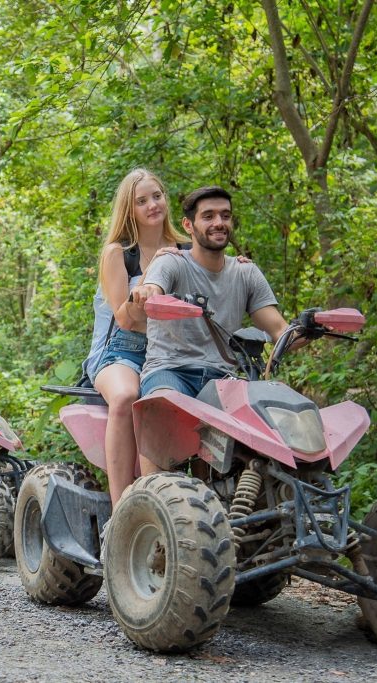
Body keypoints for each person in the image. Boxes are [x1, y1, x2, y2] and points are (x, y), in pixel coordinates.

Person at [132, 185, 292, 415]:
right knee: (162, 410)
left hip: (223, 378)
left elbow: (280, 330)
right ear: (188, 225)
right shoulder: (172, 261)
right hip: (171, 371)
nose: (219, 222)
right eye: (208, 216)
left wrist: (314, 327)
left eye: (225, 216)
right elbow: (154, 288)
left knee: (268, 420)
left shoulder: (245, 272)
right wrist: (148, 292)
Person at [87, 168, 189, 507]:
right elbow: (124, 317)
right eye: (141, 201)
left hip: (173, 353)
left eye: (156, 196)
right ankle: (121, 512)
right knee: (126, 396)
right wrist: (154, 268)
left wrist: (239, 267)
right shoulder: (118, 252)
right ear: (129, 210)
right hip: (119, 352)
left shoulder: (187, 249)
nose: (152, 205)